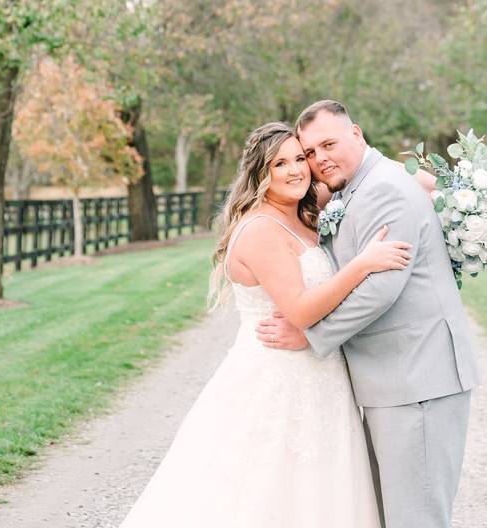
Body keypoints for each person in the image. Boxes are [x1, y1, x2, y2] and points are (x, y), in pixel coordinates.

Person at [118, 121, 411, 527]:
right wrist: (363, 264)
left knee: (320, 494)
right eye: (280, 164)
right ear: (261, 174)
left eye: (300, 158)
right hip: (278, 378)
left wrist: (447, 185)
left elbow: (368, 178)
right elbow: (302, 311)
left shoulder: (303, 212)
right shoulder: (260, 229)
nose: (296, 170)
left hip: (320, 377)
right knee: (262, 492)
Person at [256, 100, 481, 528]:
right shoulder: (358, 185)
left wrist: (311, 334)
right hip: (397, 380)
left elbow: (380, 289)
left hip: (418, 380)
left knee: (416, 519)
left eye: (328, 144)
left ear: (356, 134)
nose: (319, 159)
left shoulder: (382, 189)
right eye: (310, 152)